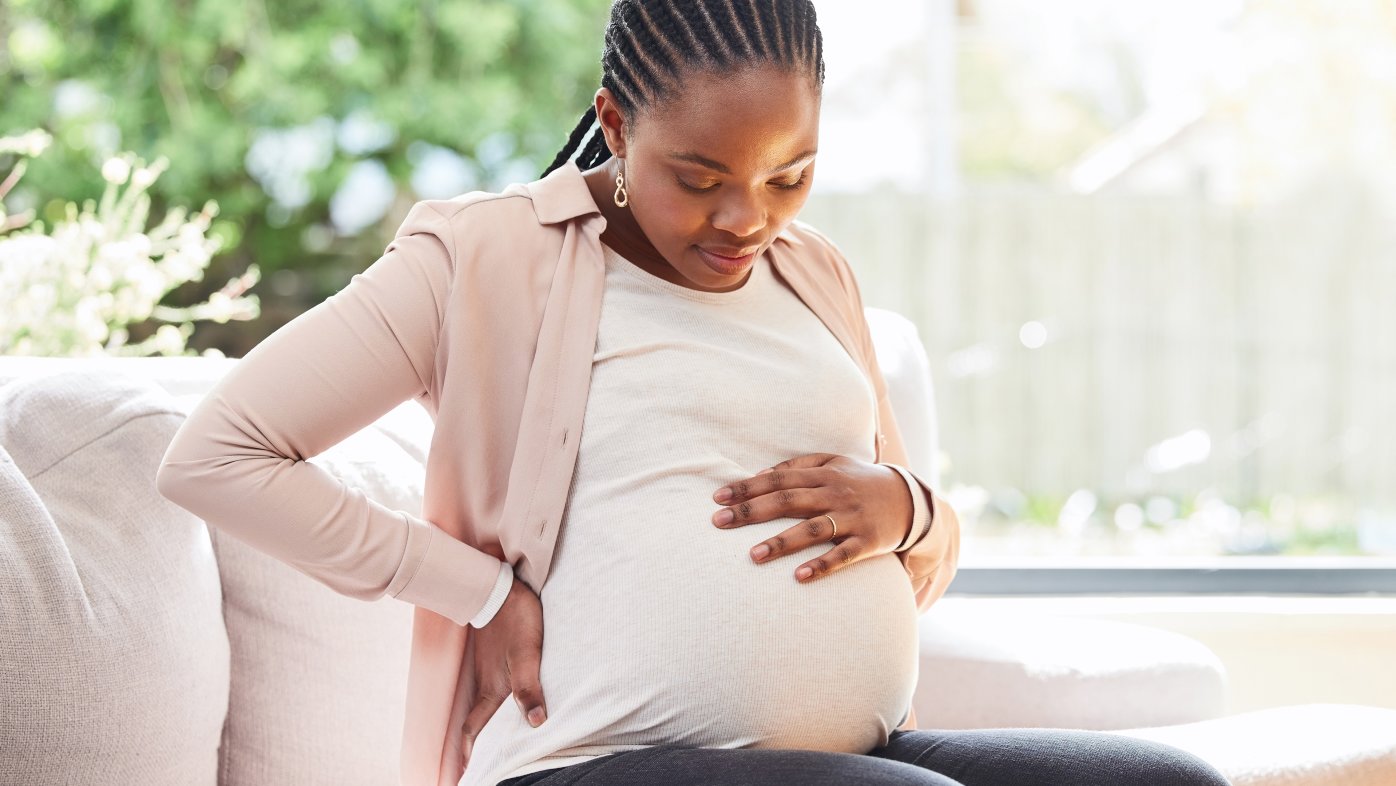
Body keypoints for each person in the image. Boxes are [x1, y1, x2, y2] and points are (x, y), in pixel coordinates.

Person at [156, 1, 1232, 785]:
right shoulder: (480, 258)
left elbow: (919, 566)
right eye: (699, 178)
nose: (746, 221)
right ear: (617, 127)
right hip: (591, 760)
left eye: (789, 174)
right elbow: (218, 455)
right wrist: (477, 589)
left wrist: (906, 506)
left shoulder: (818, 275)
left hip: (853, 754)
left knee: (1165, 785)